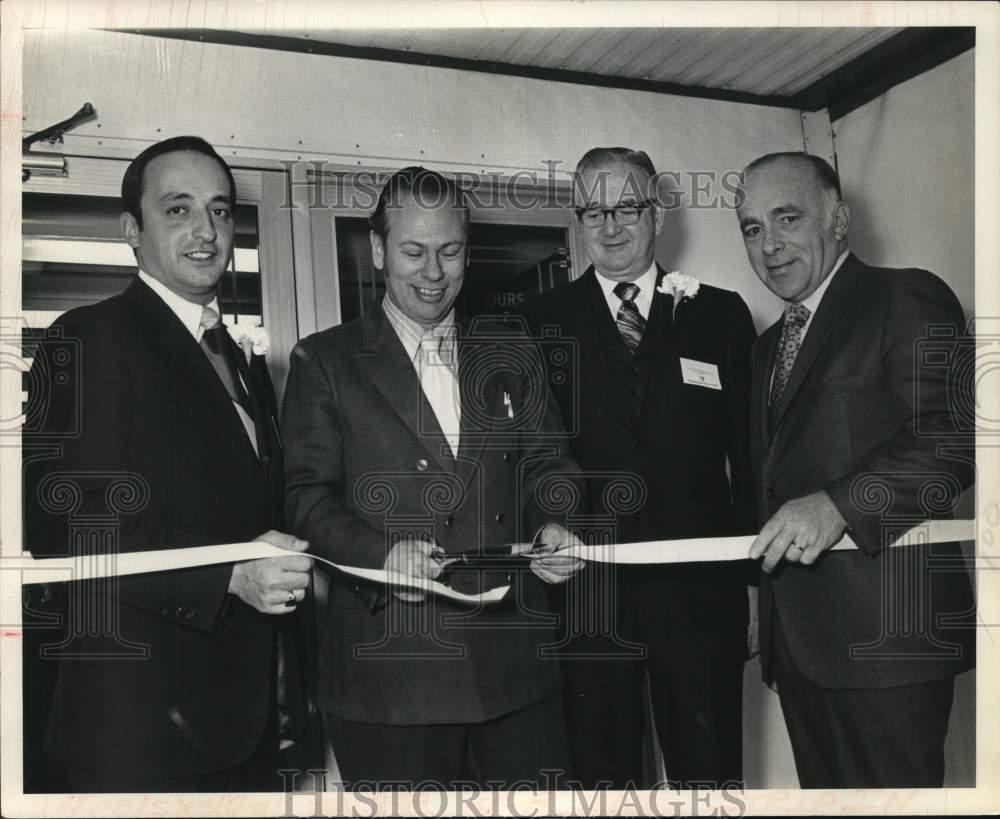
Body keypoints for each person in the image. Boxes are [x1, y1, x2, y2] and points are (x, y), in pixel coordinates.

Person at [23, 135, 314, 792]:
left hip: (244, 723)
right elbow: (66, 524)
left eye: (218, 210)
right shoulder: (89, 338)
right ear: (133, 229)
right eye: (177, 210)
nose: (205, 231)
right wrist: (229, 577)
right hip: (140, 731)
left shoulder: (241, 361)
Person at [282, 166, 586, 789]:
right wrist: (382, 554)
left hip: (516, 668)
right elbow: (305, 498)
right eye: (413, 251)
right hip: (390, 675)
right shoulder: (325, 361)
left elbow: (551, 465)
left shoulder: (512, 349)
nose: (433, 272)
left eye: (449, 251)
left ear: (468, 252)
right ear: (377, 249)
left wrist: (558, 521)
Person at [519, 147, 757, 789]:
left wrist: (757, 586)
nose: (610, 225)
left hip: (702, 602)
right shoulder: (537, 324)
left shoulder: (719, 313)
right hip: (586, 602)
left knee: (708, 782)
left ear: (657, 215)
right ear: (576, 220)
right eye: (592, 210)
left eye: (626, 207)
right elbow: (520, 460)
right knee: (602, 787)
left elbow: (752, 460)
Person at [736, 151, 975, 787]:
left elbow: (955, 440)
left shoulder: (905, 296)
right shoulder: (765, 348)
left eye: (787, 218)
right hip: (801, 653)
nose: (769, 245)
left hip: (888, 649)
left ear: (839, 218)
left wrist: (837, 505)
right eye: (752, 228)